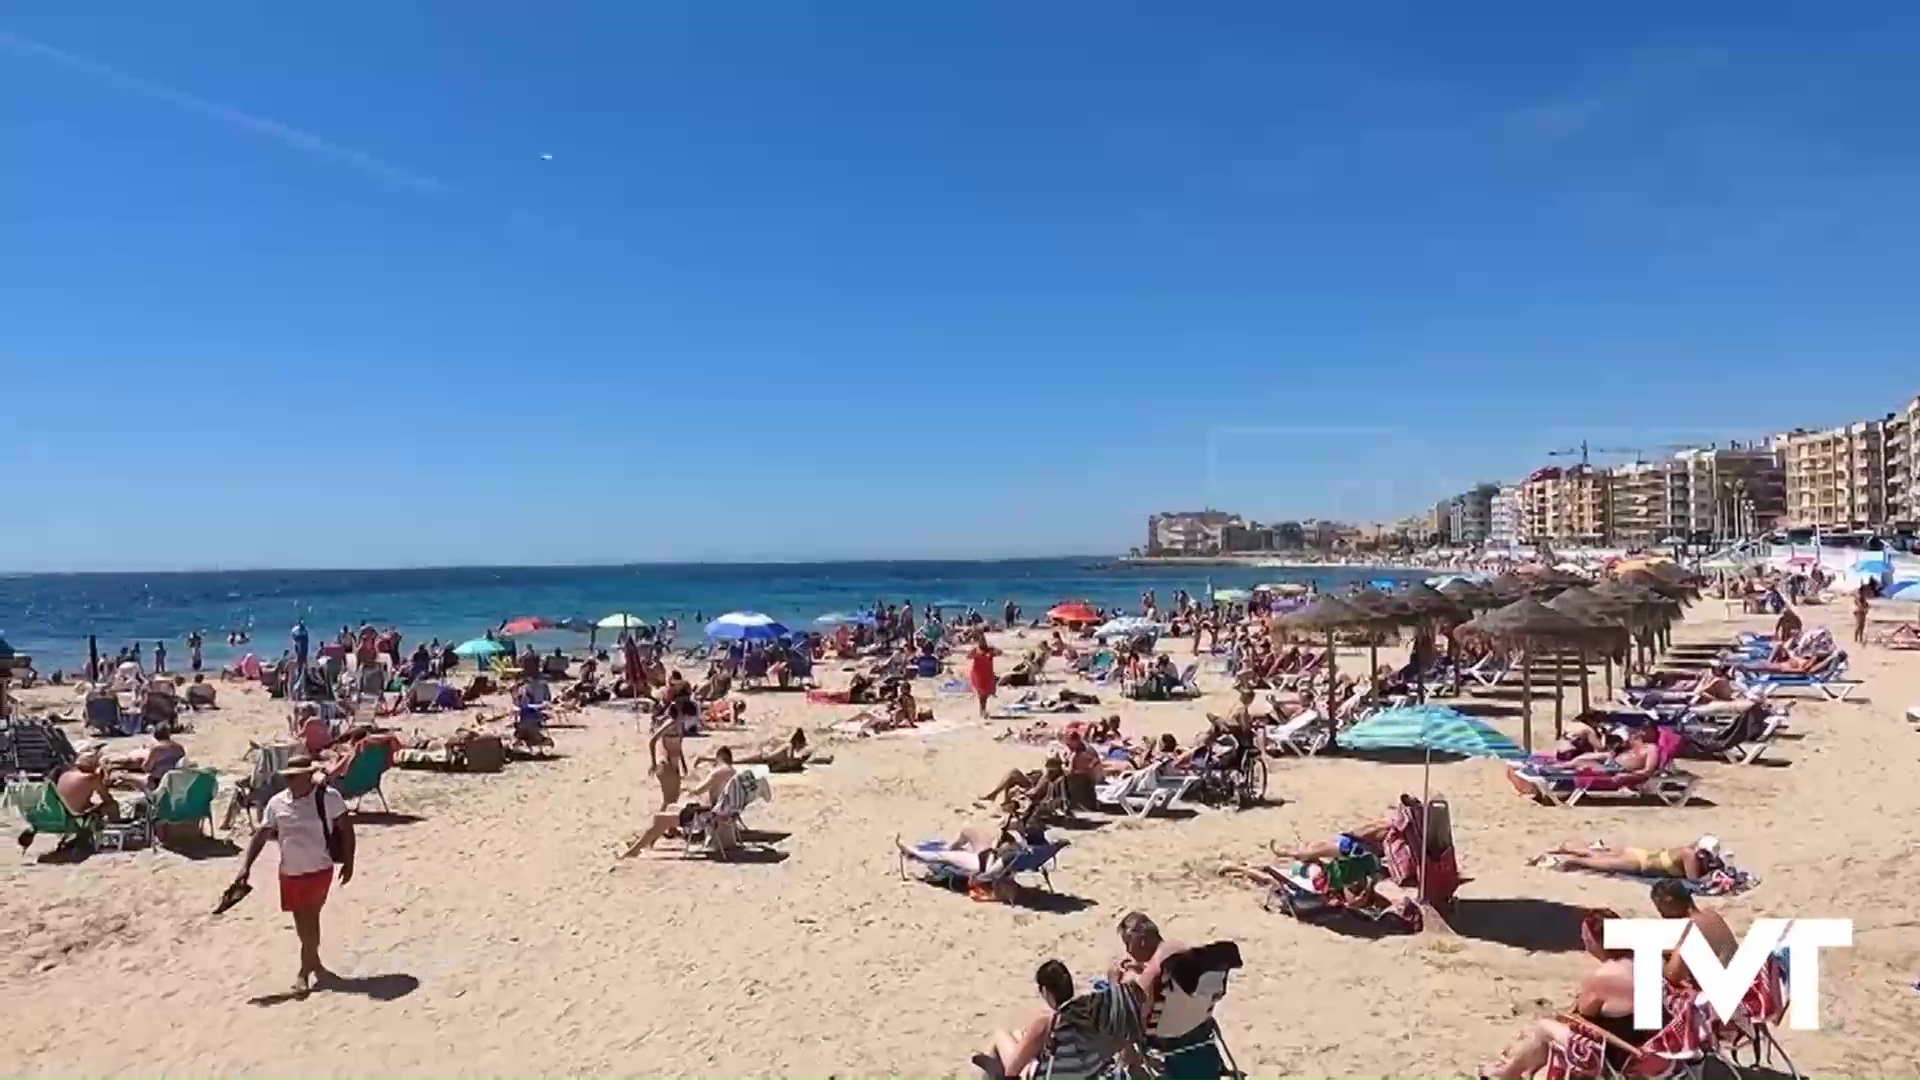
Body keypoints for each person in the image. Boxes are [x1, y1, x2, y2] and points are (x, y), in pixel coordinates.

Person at [234, 755, 355, 996]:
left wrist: (349, 862)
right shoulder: (277, 803)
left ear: (309, 776)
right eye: (288, 777)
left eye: (295, 777)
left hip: (319, 869)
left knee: (312, 916)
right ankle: (315, 962)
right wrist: (246, 866)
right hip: (290, 871)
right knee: (302, 922)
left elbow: (346, 829)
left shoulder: (328, 798)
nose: (290, 782)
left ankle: (303, 972)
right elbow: (261, 835)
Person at [1480, 909, 1644, 1080]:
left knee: (1543, 1027)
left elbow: (1583, 1015)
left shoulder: (1603, 978)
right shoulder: (1638, 964)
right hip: (1637, 1043)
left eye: (1586, 938)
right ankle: (1523, 1069)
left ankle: (1507, 1074)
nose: (1584, 942)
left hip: (1612, 1056)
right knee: (1548, 1030)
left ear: (1597, 941)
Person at [970, 960, 1089, 1080]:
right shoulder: (1088, 1014)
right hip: (1079, 1072)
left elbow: (1012, 1070)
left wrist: (1030, 1062)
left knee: (1000, 1035)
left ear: (1046, 992)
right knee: (1018, 1036)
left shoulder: (1047, 1021)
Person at [620, 747, 738, 856]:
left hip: (707, 816)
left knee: (659, 819)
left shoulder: (717, 773)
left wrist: (686, 789)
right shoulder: (733, 772)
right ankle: (648, 842)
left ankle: (634, 851)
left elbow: (697, 790)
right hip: (721, 813)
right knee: (670, 807)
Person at [1542, 835, 1724, 881]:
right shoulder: (1690, 856)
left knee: (1595, 854)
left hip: (1640, 854)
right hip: (1640, 863)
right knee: (1599, 863)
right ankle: (1568, 860)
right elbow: (1693, 880)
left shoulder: (1690, 849)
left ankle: (1568, 848)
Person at [647, 705, 690, 810]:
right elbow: (652, 741)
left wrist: (683, 764)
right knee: (669, 801)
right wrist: (653, 763)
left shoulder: (679, 725)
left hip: (674, 764)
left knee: (674, 799)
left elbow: (678, 746)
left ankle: (664, 822)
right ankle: (660, 823)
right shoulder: (669, 725)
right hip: (666, 763)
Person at [968, 635, 999, 720]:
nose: (982, 642)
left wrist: (993, 651)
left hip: (987, 674)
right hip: (978, 674)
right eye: (980, 641)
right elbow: (968, 656)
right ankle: (983, 711)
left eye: (983, 640)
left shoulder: (989, 650)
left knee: (986, 694)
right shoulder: (976, 650)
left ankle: (983, 711)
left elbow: (1000, 652)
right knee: (982, 695)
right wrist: (974, 653)